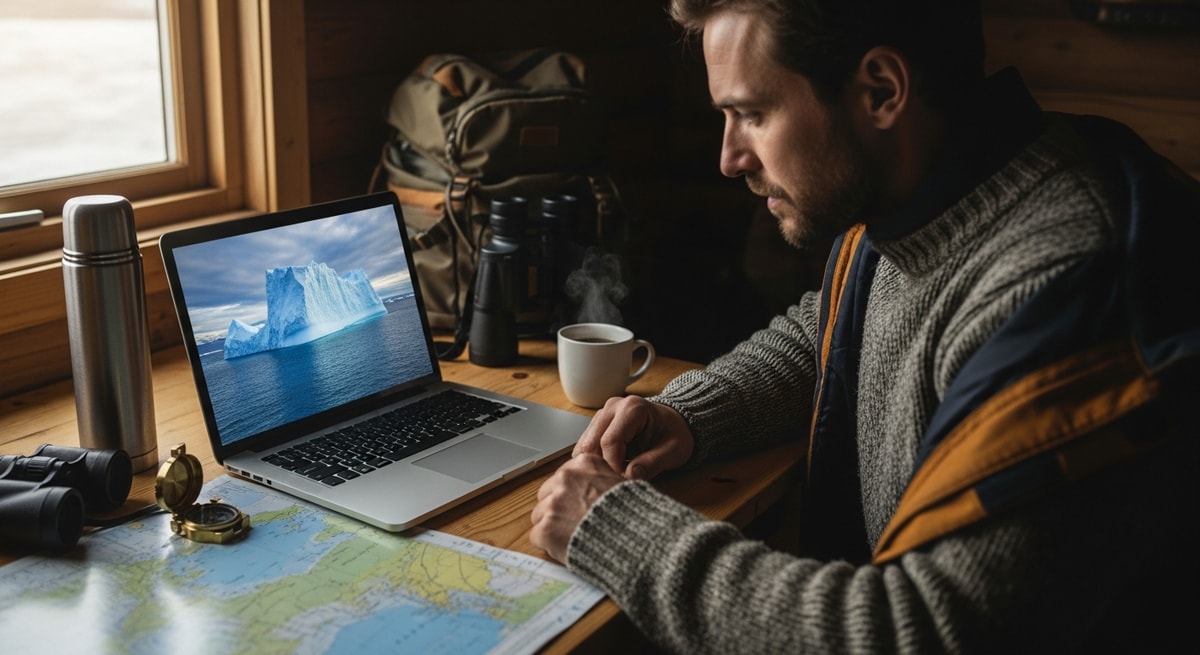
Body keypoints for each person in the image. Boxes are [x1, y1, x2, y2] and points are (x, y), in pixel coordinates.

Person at [529, 0, 1200, 652]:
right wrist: (692, 415)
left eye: (752, 114)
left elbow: (919, 630)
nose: (730, 158)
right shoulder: (918, 197)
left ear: (881, 91)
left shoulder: (1068, 288)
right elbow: (827, 328)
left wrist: (614, 528)